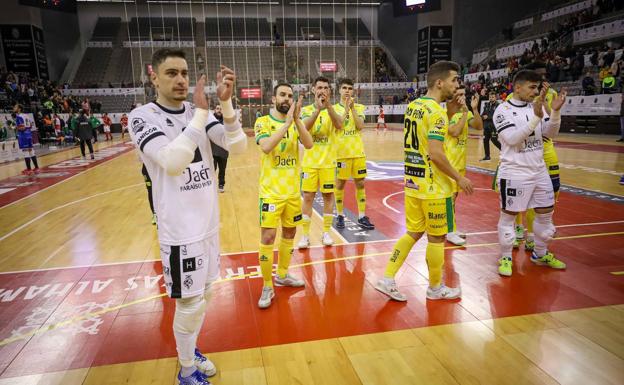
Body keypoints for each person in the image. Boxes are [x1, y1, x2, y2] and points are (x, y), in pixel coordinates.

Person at [128, 49, 246, 385]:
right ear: (154, 77)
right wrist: (201, 115)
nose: (180, 80)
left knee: (204, 296)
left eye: (184, 72)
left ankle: (189, 348)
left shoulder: (198, 112)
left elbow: (236, 146)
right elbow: (173, 160)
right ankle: (186, 371)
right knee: (190, 304)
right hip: (180, 231)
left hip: (208, 226)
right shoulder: (142, 116)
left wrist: (224, 105)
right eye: (171, 73)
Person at [375, 61, 474, 302]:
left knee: (413, 232)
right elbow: (436, 153)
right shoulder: (436, 112)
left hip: (412, 183)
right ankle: (435, 288)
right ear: (439, 82)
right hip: (433, 187)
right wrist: (459, 177)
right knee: (437, 238)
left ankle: (387, 278)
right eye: (454, 80)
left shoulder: (414, 105)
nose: (457, 85)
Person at [493, 70, 567, 277]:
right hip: (515, 172)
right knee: (508, 217)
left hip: (539, 170)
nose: (536, 91)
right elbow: (514, 138)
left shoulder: (535, 107)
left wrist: (554, 112)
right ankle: (506, 257)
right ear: (518, 87)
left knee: (546, 216)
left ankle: (540, 254)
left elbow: (549, 135)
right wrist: (535, 117)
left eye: (537, 87)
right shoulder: (502, 110)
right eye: (532, 87)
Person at [254, 83, 313, 309]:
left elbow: (308, 144)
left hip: (291, 193)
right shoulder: (263, 122)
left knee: (290, 233)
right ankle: (267, 285)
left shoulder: (295, 124)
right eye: (282, 95)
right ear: (273, 98)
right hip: (270, 193)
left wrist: (297, 120)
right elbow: (267, 146)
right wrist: (287, 123)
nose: (286, 98)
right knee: (268, 238)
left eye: (289, 95)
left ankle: (283, 274)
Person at [298, 76, 343, 248]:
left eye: (325, 87)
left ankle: (326, 233)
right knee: (308, 197)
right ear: (313, 90)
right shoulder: (307, 109)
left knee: (328, 197)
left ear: (329, 91)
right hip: (310, 162)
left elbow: (339, 125)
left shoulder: (333, 110)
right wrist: (317, 109)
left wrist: (328, 106)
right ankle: (305, 235)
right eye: (319, 87)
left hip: (328, 164)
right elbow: (305, 128)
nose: (322, 90)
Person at [333, 78, 375, 230]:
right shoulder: (333, 109)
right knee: (340, 184)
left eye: (350, 88)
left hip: (358, 152)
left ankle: (362, 216)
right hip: (341, 154)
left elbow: (360, 125)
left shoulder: (360, 107)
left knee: (361, 183)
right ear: (339, 90)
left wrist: (352, 109)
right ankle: (339, 215)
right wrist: (345, 109)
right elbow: (338, 126)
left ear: (353, 91)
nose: (347, 91)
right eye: (344, 88)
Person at [445, 87, 483, 246]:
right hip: (449, 163)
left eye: (463, 95)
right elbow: (454, 132)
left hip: (460, 162)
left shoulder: (463, 114)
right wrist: (466, 113)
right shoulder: (447, 114)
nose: (462, 98)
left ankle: (452, 227)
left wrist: (474, 110)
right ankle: (449, 231)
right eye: (459, 95)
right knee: (449, 199)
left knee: (454, 198)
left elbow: (479, 126)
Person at [14, 104, 39, 175]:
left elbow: (22, 128)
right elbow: (30, 125)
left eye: (15, 107)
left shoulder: (19, 116)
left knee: (25, 151)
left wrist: (14, 128)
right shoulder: (26, 115)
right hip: (29, 134)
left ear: (19, 109)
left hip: (23, 135)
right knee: (31, 150)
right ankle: (37, 168)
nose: (14, 108)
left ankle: (29, 169)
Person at [209, 105, 228, 192]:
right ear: (214, 110)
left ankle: (221, 185)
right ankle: (210, 186)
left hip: (224, 151)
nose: (219, 110)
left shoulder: (227, 121)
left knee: (222, 170)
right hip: (212, 151)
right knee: (212, 170)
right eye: (217, 109)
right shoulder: (210, 121)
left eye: (221, 109)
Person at [481, 91, 501, 161]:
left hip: (493, 127)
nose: (491, 98)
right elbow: (483, 114)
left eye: (492, 97)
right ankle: (487, 156)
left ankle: (503, 150)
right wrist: (482, 117)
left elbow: (498, 116)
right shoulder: (486, 105)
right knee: (485, 140)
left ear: (495, 98)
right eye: (490, 97)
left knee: (494, 140)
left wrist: (488, 117)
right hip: (486, 126)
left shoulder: (498, 105)